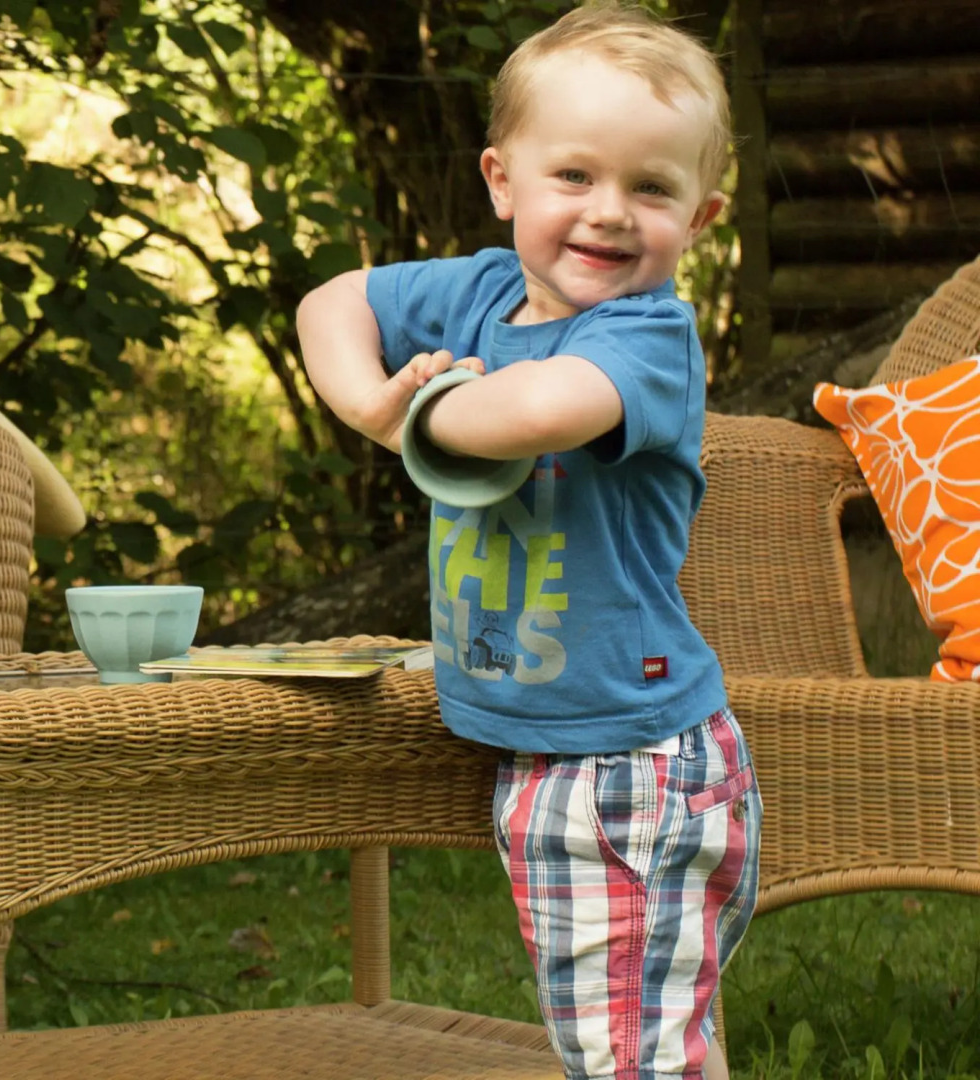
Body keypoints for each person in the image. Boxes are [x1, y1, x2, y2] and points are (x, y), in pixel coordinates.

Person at [295, 3, 761, 1079]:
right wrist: (373, 402)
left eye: (651, 188)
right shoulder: (478, 290)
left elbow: (536, 413)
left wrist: (423, 411)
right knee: (614, 1037)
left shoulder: (647, 337)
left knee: (631, 1055)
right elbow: (331, 303)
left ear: (701, 217)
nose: (609, 214)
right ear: (503, 180)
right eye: (575, 177)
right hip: (549, 748)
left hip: (634, 763)